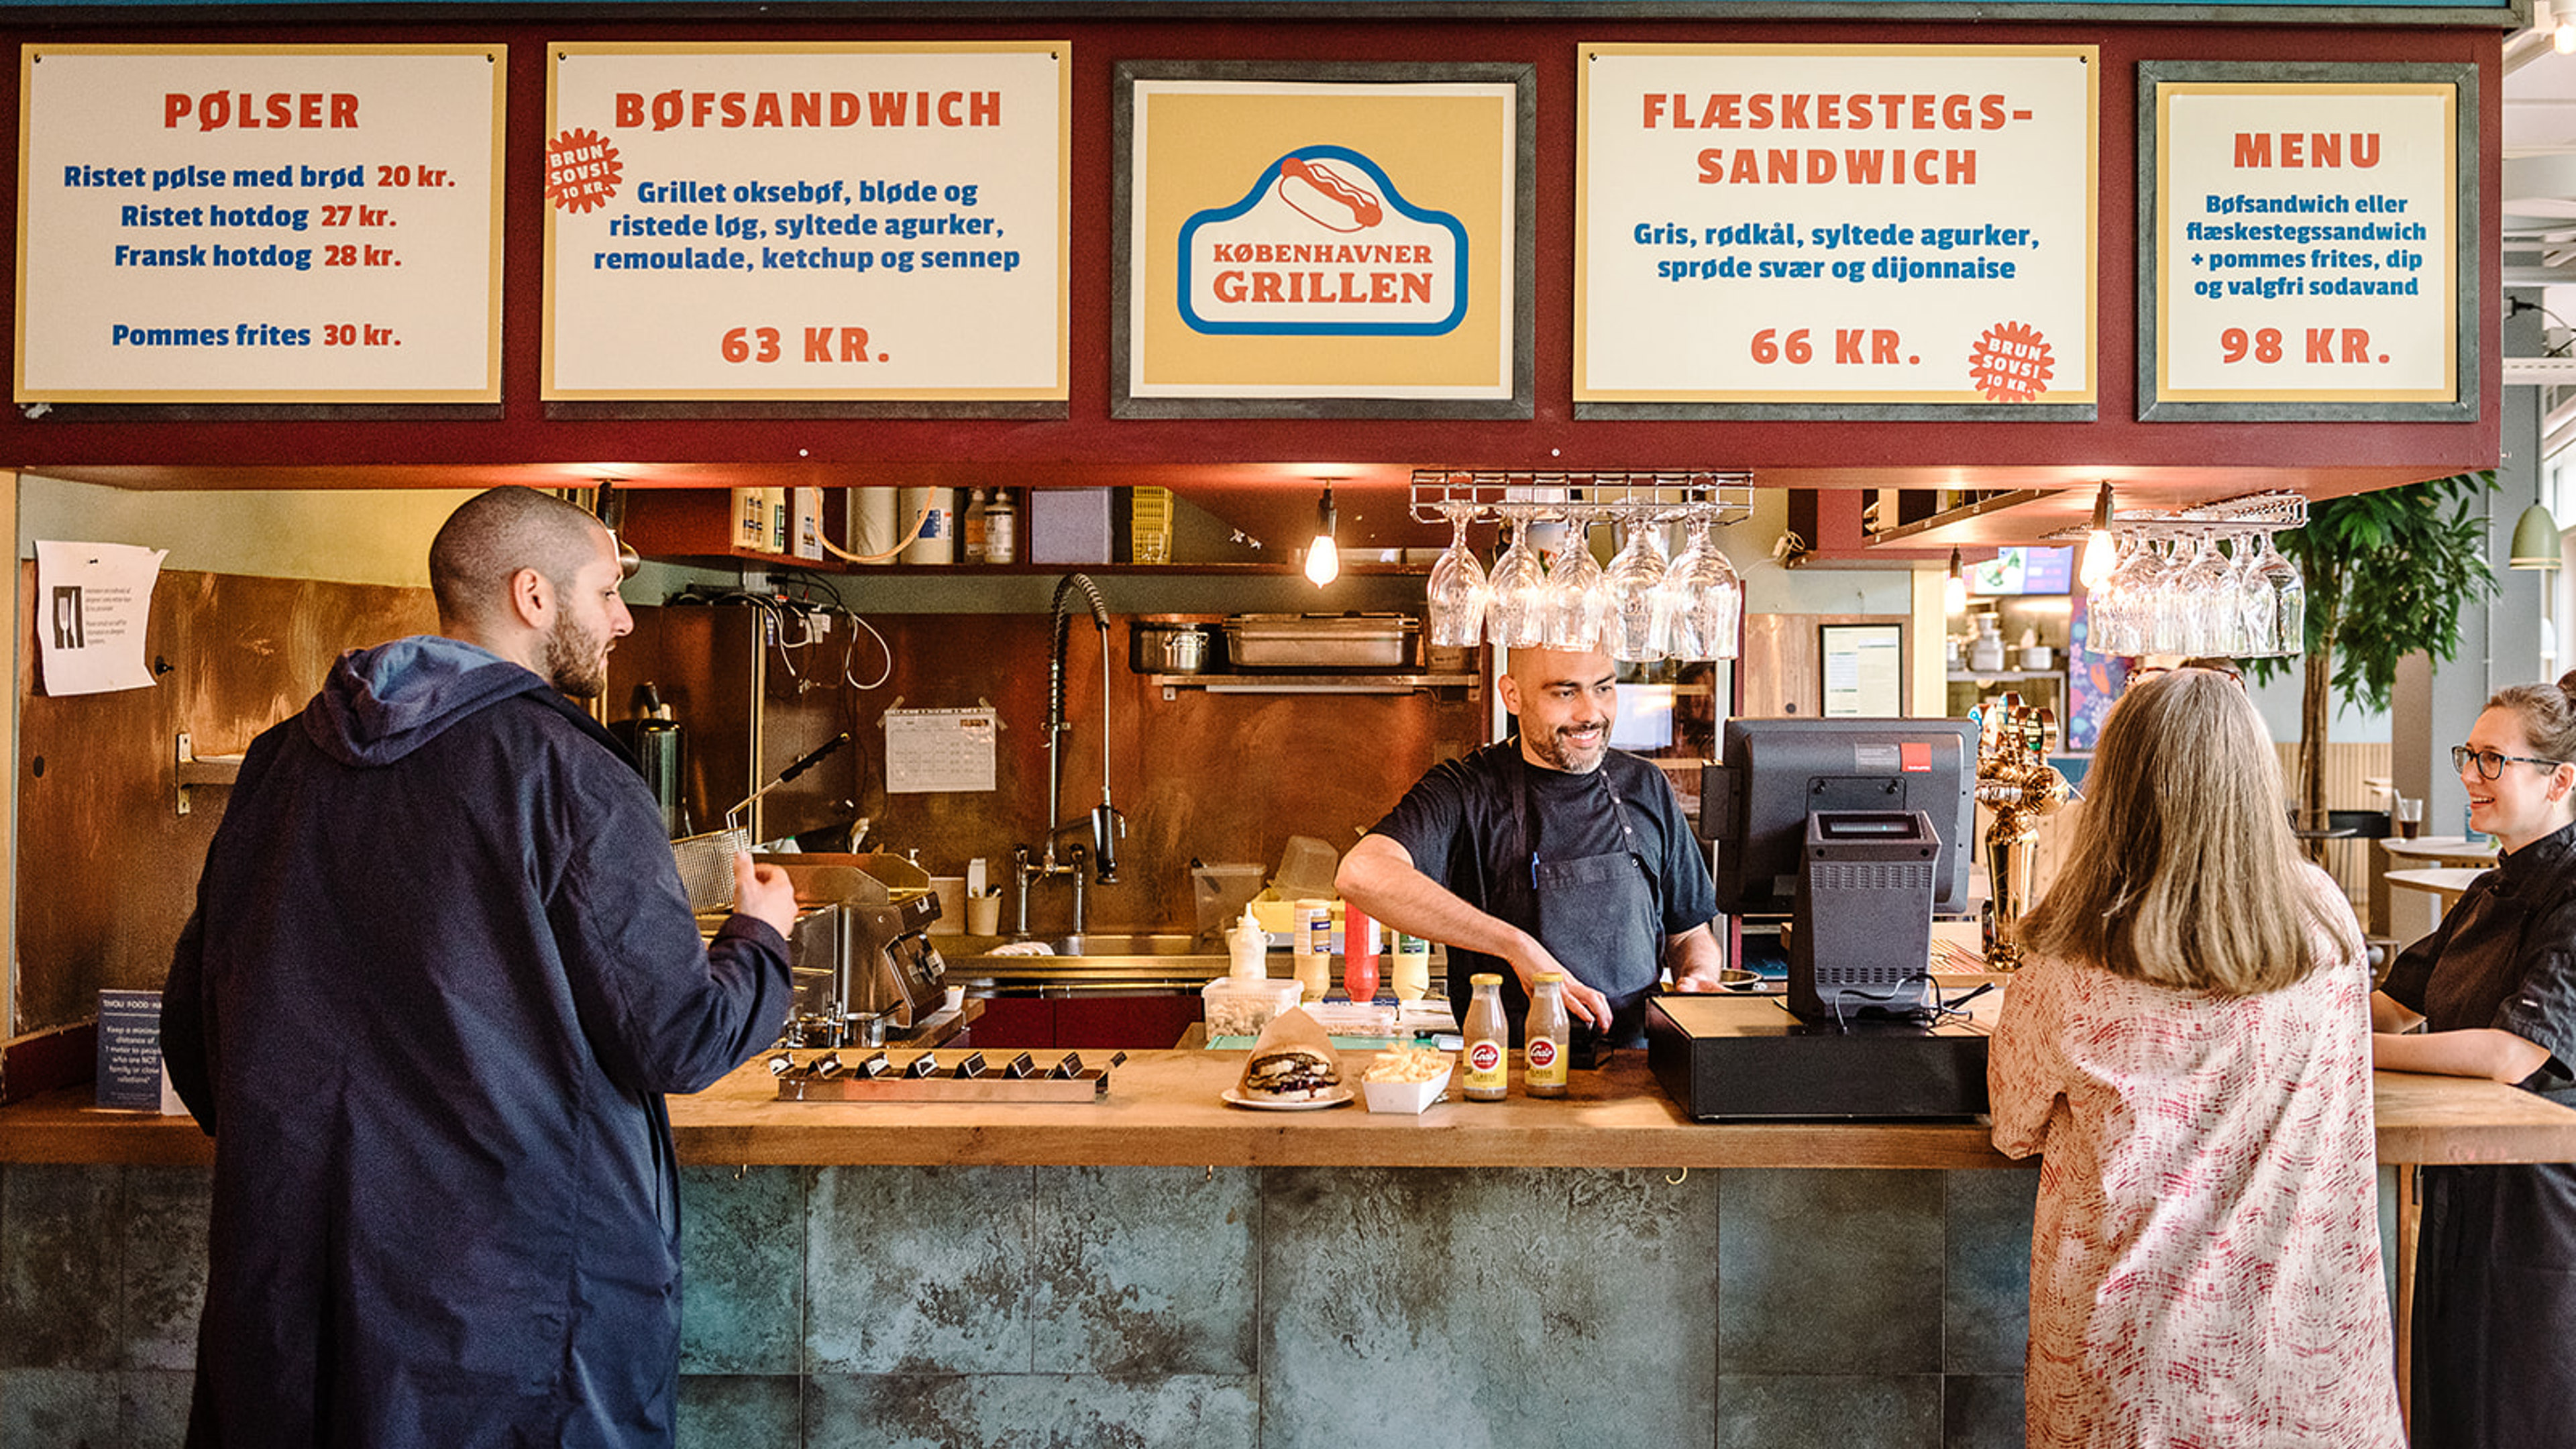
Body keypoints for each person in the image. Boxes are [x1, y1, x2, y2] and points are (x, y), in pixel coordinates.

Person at [161, 486, 800, 1448]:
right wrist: (763, 937)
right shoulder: (574, 773)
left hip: (297, 1294)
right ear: (533, 596)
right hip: (516, 1313)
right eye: (607, 591)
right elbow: (676, 1039)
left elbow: (195, 1037)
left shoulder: (280, 763)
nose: (625, 617)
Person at [1989, 668, 2403, 1448]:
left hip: (2131, 1366)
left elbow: (2014, 1125)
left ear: (2112, 786)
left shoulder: (2069, 949)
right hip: (2309, 1359)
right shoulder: (2326, 924)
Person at [2372, 672, 2576, 1448]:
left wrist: (2349, 1052)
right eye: (2470, 755)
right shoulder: (2490, 886)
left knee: (2518, 1413)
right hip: (2462, 1186)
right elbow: (2394, 1000)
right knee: (2449, 1402)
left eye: (2493, 760)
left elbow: (2514, 1054)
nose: (2469, 775)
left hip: (2541, 1203)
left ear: (2559, 780)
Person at [1335, 644, 1725, 1050]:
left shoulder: (1646, 785)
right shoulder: (1466, 790)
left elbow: (1688, 934)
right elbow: (1361, 873)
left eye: (1604, 688)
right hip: (1510, 1077)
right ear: (1512, 696)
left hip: (1640, 1074)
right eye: (1566, 692)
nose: (1591, 713)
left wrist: (1698, 976)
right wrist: (1516, 947)